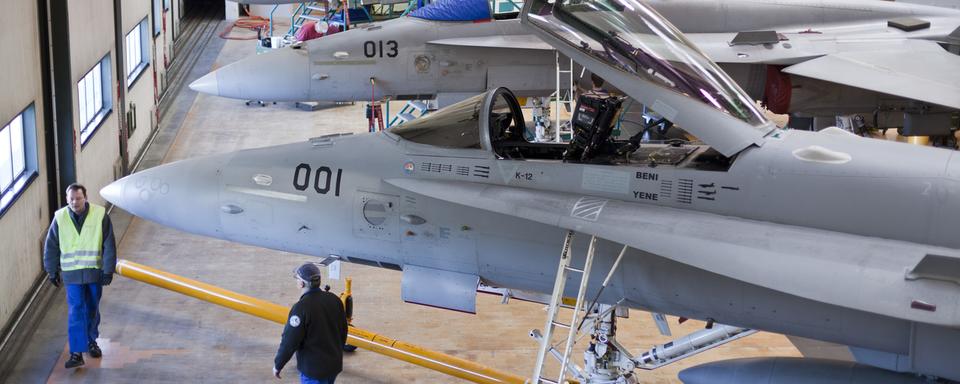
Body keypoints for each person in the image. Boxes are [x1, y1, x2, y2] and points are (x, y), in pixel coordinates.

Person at [43, 183, 117, 369]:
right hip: (72, 275)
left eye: (78, 198)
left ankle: (91, 341)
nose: (74, 202)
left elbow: (109, 244)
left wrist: (108, 270)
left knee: (92, 308)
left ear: (85, 198)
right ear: (67, 200)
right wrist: (51, 270)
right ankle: (76, 352)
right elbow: (51, 246)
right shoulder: (60, 218)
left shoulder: (100, 215)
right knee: (76, 310)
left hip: (94, 273)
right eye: (71, 199)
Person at [274, 263, 348, 384]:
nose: (296, 281)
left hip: (314, 370)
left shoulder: (301, 308)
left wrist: (278, 364)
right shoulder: (334, 299)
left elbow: (289, 341)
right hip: (333, 366)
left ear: (302, 283)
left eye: (297, 278)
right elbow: (343, 331)